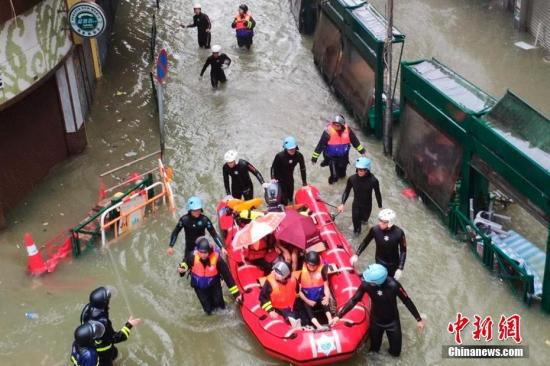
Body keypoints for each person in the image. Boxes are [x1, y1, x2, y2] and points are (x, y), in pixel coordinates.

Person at [331, 264, 425, 357]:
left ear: (378, 281)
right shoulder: (366, 285)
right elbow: (354, 300)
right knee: (374, 351)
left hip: (392, 322)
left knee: (396, 353)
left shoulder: (394, 285)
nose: (366, 281)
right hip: (376, 322)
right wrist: (338, 316)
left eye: (370, 281)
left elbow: (407, 300)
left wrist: (418, 319)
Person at [178, 237, 241, 315]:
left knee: (221, 307)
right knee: (208, 310)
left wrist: (237, 295)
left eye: (205, 253)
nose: (203, 255)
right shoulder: (192, 256)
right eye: (201, 252)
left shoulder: (218, 260)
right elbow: (185, 263)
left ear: (209, 251)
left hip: (214, 285)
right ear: (198, 251)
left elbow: (228, 277)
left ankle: (223, 299)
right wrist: (182, 270)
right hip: (199, 288)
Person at [80, 287, 141, 366]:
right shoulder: (102, 324)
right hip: (103, 352)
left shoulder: (87, 309)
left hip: (92, 345)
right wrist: (129, 325)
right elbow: (115, 338)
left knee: (114, 354)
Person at [311, 115, 367, 184]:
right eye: (334, 125)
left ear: (342, 126)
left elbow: (355, 141)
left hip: (343, 157)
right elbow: (320, 146)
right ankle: (330, 187)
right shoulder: (327, 132)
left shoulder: (348, 130)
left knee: (342, 175)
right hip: (331, 157)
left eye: (338, 125)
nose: (336, 127)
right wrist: (314, 158)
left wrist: (362, 151)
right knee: (334, 177)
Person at [353, 209, 407, 280]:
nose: (380, 223)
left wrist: (400, 268)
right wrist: (356, 254)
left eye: (383, 222)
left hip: (393, 264)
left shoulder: (399, 233)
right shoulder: (375, 230)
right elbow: (365, 242)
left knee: (389, 282)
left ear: (390, 222)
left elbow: (403, 251)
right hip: (379, 261)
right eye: (380, 220)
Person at [338, 157, 382, 236]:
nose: (359, 172)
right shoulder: (352, 179)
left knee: (365, 221)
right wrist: (342, 203)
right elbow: (346, 191)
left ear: (367, 170)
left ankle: (364, 222)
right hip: (356, 205)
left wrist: (380, 206)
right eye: (358, 169)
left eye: (362, 170)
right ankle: (356, 235)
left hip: (367, 206)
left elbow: (377, 193)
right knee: (356, 229)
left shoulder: (373, 181)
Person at [297, 251, 333, 329]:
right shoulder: (302, 274)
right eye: (310, 265)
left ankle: (330, 320)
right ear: (306, 263)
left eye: (315, 266)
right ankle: (318, 326)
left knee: (325, 301)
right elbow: (299, 291)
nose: (312, 267)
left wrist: (327, 297)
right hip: (308, 297)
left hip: (319, 294)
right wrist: (307, 300)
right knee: (307, 308)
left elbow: (326, 286)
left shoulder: (322, 270)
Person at [259, 261, 300, 328]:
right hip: (277, 308)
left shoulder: (293, 280)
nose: (274, 274)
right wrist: (270, 311)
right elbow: (262, 297)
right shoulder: (270, 282)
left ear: (285, 277)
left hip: (291, 307)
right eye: (275, 271)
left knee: (299, 321)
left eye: (278, 273)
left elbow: (297, 290)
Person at [270, 136, 307, 205]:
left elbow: (302, 169)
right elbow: (273, 167)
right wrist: (272, 178)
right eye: (290, 149)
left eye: (293, 148)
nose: (292, 150)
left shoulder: (299, 156)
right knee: (284, 202)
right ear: (285, 148)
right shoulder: (279, 156)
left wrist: (304, 182)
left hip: (290, 179)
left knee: (290, 198)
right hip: (279, 180)